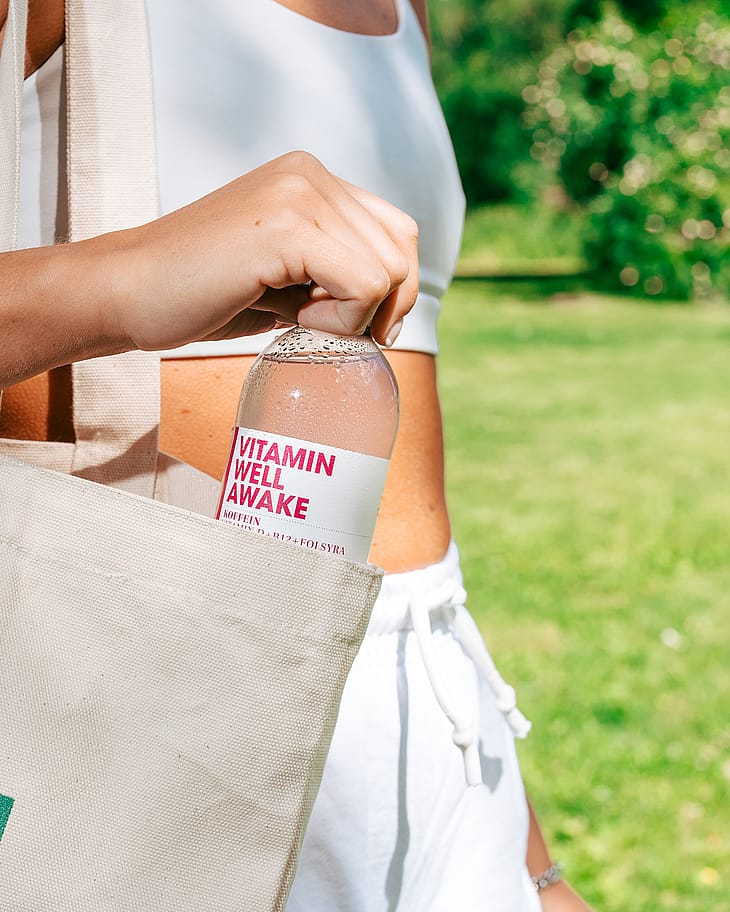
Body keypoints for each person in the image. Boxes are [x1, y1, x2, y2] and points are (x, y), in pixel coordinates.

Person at [0, 1, 594, 909]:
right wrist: (117, 280)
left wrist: (527, 860)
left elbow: (409, 520)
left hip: (430, 728)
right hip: (148, 717)